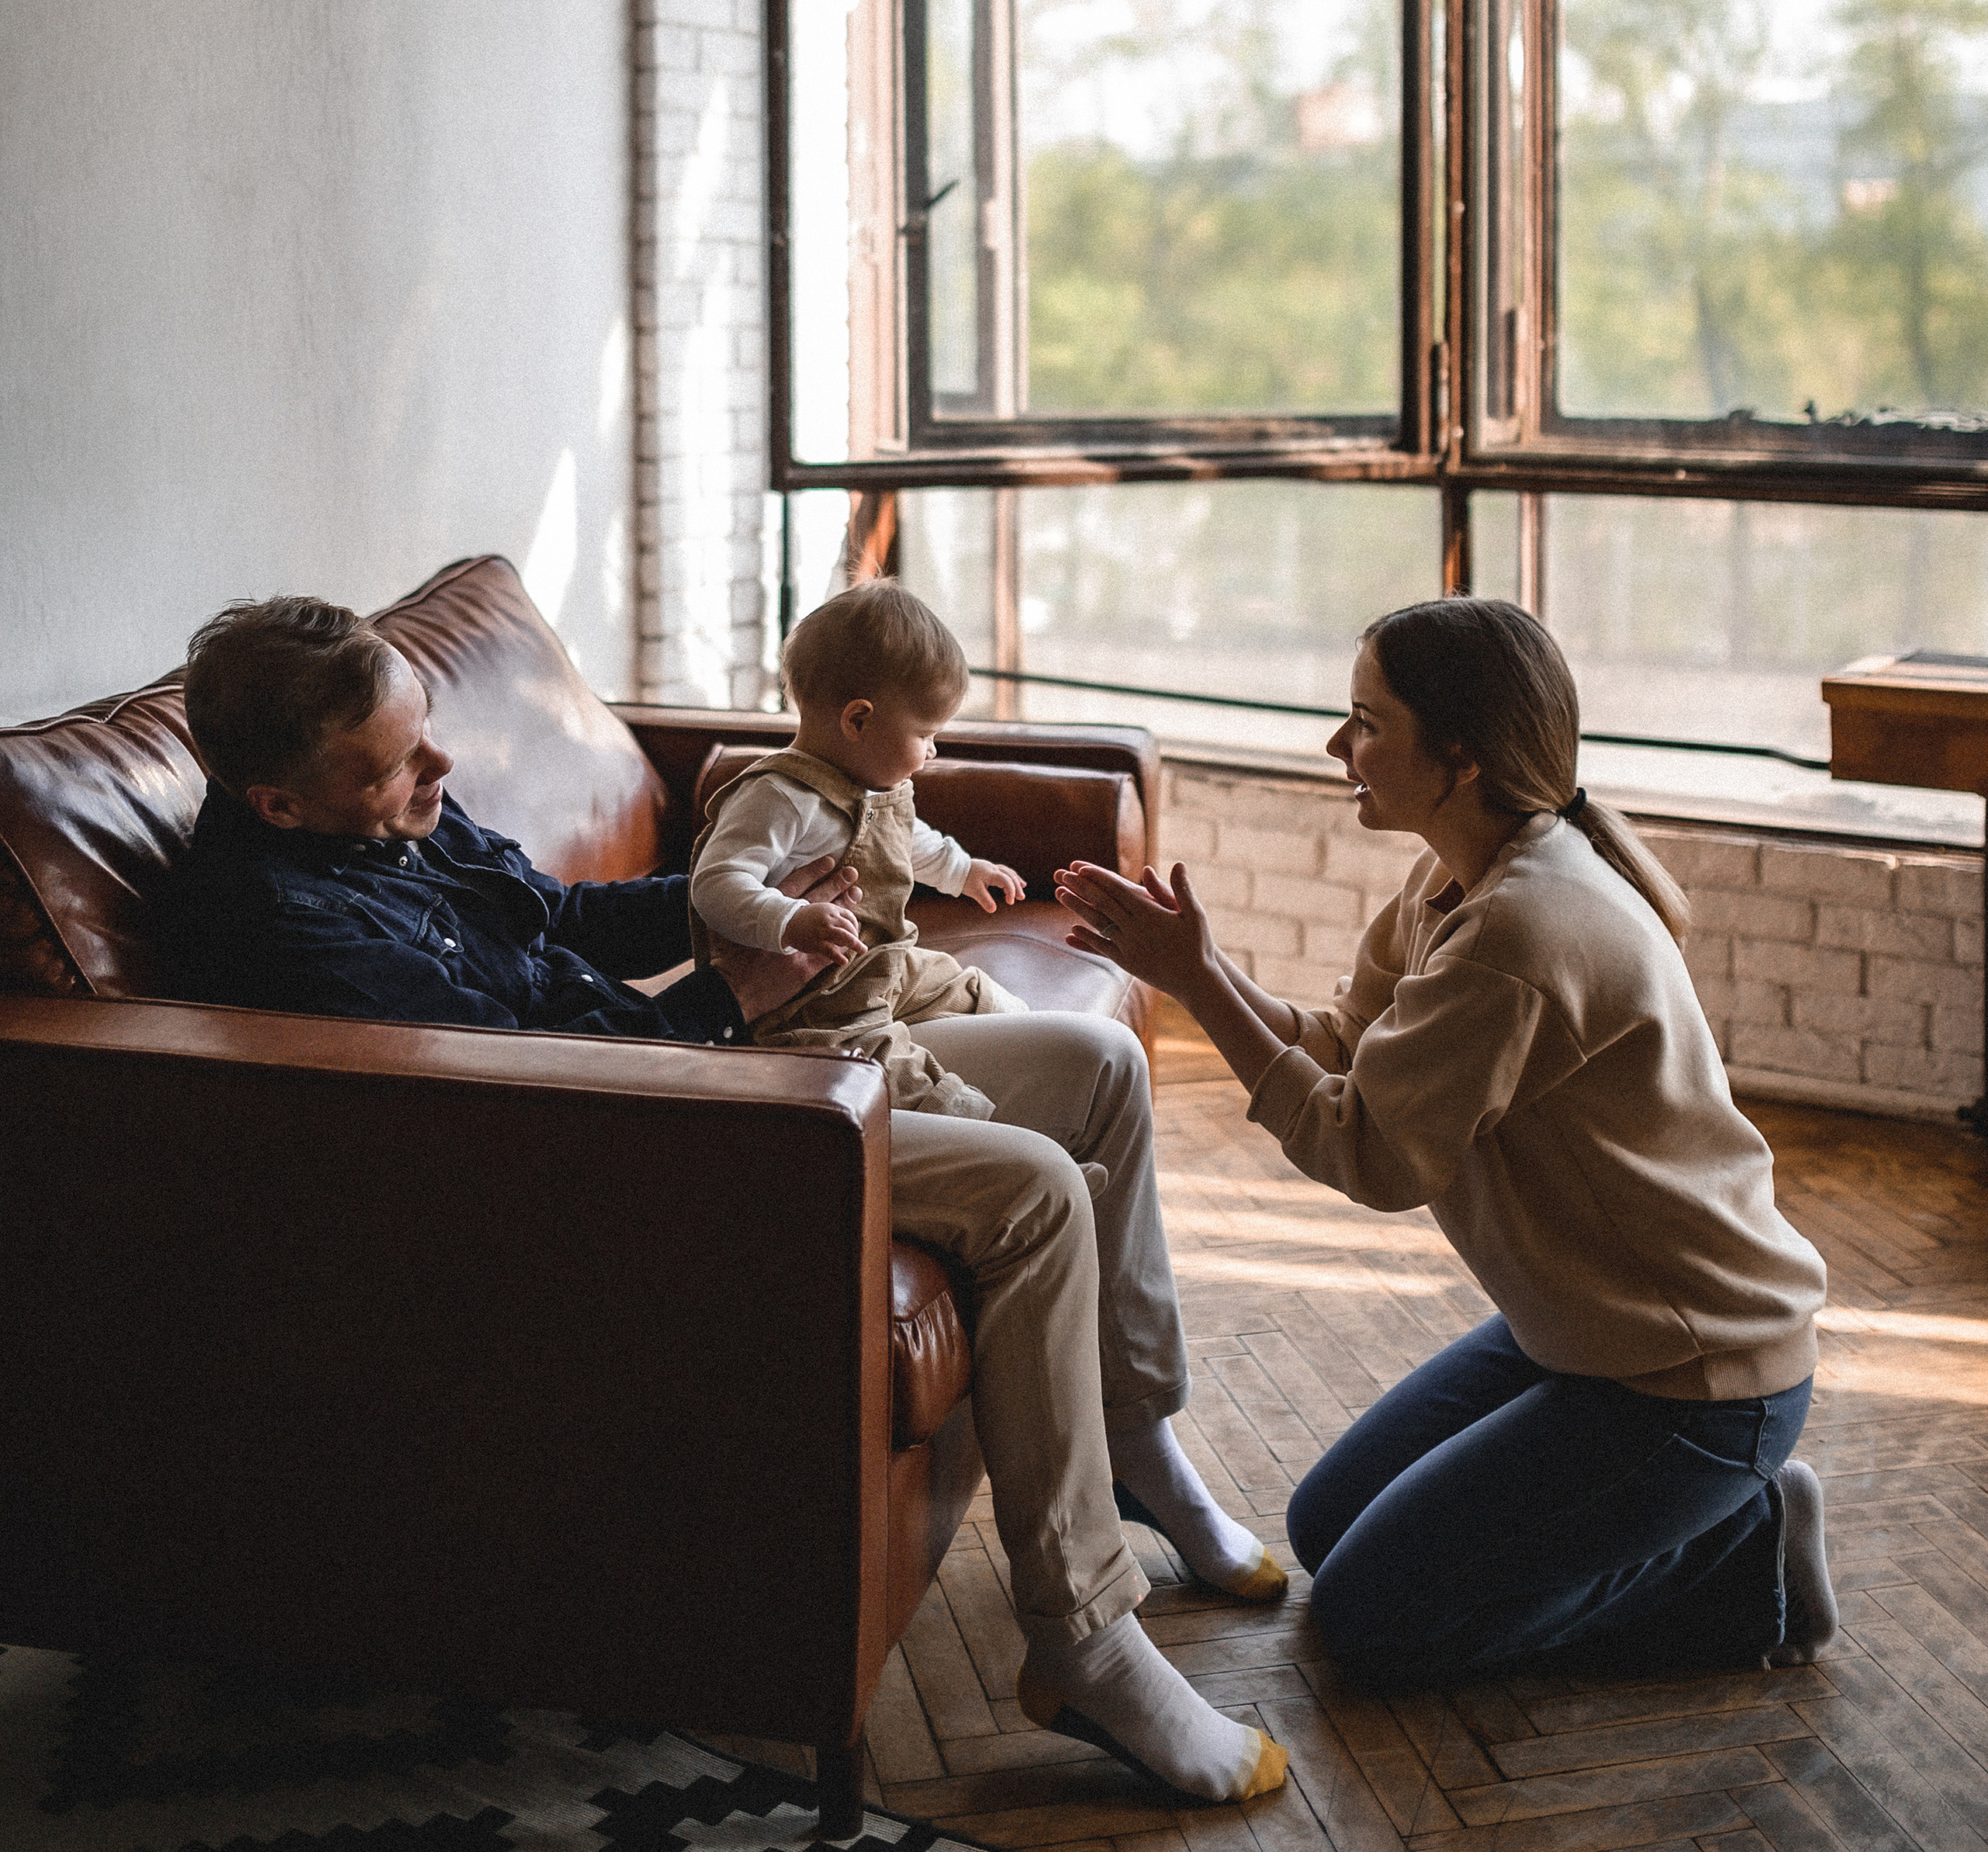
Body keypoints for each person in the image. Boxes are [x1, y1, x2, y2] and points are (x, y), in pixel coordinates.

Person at [169, 592, 1290, 1804]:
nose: (440, 762)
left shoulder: (388, 819)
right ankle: (1083, 1635)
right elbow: (536, 1093)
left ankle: (1135, 1437)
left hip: (681, 1068)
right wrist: (731, 1005)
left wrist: (744, 894)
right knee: (1034, 1193)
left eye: (427, 727)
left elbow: (554, 915)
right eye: (397, 759)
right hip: (641, 1142)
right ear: (277, 803)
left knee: (1103, 1067)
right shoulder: (293, 929)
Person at [1056, 593, 1837, 1694]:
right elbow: (1341, 1042)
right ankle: (1709, 1521)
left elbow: (1365, 1149)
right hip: (1583, 1329)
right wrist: (1203, 966)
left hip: (1694, 1379)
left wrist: (1195, 985)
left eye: (1368, 721)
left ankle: (1739, 1551)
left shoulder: (1522, 928)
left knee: (1379, 1622)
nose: (1342, 745)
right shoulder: (1459, 877)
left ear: (1459, 754)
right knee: (1329, 1525)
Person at [691, 584, 1032, 1120]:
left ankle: (1034, 1048)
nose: (933, 750)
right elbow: (715, 884)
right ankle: (998, 1138)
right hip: (816, 1002)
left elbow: (909, 840)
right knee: (890, 1072)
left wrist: (964, 871)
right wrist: (791, 920)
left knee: (970, 989)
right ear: (857, 720)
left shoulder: (873, 785)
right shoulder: (779, 796)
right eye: (925, 733)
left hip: (882, 964)